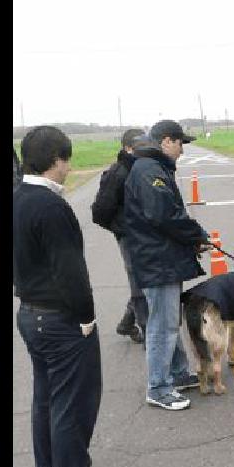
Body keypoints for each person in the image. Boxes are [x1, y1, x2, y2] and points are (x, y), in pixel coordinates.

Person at [13, 126, 120, 467]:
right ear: (56, 160)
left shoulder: (18, 197)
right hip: (60, 320)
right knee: (72, 404)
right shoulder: (51, 206)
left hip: (29, 313)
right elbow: (71, 272)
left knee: (46, 399)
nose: (69, 168)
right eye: (66, 160)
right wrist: (86, 318)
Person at [124, 120, 213, 411]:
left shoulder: (152, 167)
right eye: (180, 143)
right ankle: (158, 388)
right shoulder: (149, 170)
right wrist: (196, 235)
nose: (182, 151)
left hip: (162, 258)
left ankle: (176, 374)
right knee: (162, 327)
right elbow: (164, 215)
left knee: (168, 322)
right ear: (165, 141)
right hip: (156, 260)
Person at [91, 128, 147, 344]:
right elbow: (100, 212)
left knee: (146, 283)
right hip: (129, 238)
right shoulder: (118, 172)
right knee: (139, 286)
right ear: (127, 147)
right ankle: (147, 332)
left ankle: (126, 322)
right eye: (138, 146)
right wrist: (122, 230)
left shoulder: (143, 168)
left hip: (145, 237)